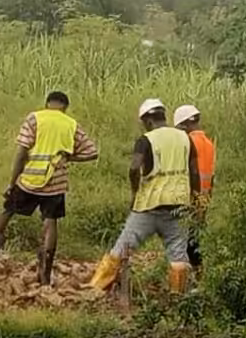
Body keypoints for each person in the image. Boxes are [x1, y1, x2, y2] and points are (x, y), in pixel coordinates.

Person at [0, 91, 98, 285]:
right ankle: (45, 275)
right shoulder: (71, 124)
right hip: (56, 182)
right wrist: (68, 157)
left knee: (6, 213)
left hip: (29, 180)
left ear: (47, 104)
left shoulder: (34, 119)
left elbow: (21, 153)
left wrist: (12, 183)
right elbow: (92, 152)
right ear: (65, 107)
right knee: (50, 223)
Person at [88, 98, 199, 295]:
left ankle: (94, 291)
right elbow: (195, 173)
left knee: (121, 249)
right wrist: (195, 202)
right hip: (178, 207)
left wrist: (134, 192)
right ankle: (178, 298)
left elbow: (133, 168)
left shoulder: (146, 140)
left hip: (148, 207)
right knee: (178, 257)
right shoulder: (185, 138)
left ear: (147, 121)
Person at [173, 104, 215, 274]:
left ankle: (184, 281)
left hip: (190, 198)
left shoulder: (187, 142)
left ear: (184, 124)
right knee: (196, 241)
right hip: (204, 199)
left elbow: (191, 173)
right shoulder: (209, 144)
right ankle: (199, 276)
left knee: (184, 242)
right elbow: (212, 176)